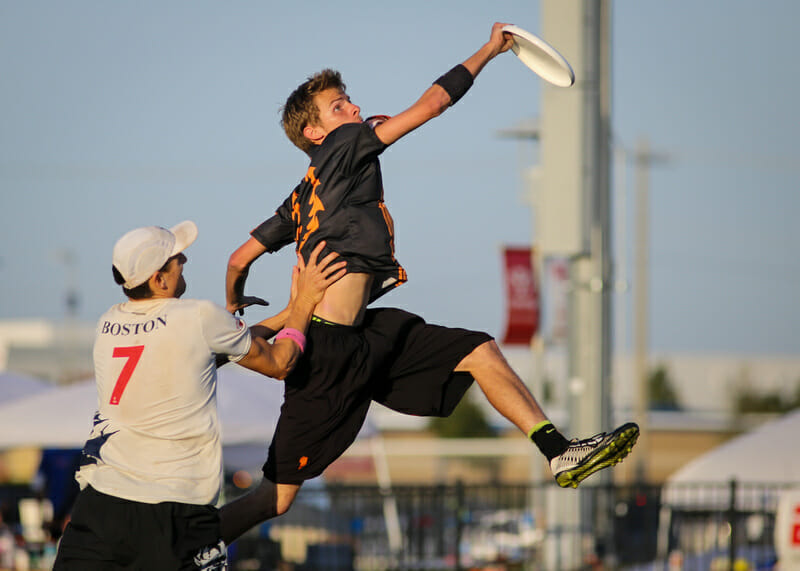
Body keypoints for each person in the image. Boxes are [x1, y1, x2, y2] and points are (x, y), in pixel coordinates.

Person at [221, 22, 639, 543]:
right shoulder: (346, 145)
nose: (352, 109)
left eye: (348, 100)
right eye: (338, 106)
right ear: (315, 132)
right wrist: (489, 50)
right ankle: (190, 545)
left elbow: (239, 258)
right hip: (325, 352)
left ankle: (560, 453)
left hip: (363, 336)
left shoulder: (303, 193)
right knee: (275, 499)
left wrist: (236, 306)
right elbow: (433, 104)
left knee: (480, 350)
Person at [53, 221, 345, 570]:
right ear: (159, 280)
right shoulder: (199, 316)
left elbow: (201, 353)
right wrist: (306, 303)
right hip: (172, 510)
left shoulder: (108, 324)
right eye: (177, 258)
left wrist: (286, 314)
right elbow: (281, 363)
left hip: (100, 504)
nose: (186, 260)